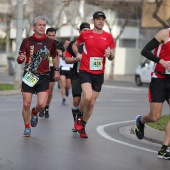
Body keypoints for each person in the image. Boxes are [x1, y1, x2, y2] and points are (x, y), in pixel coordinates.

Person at [72, 11, 115, 138]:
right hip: (85, 70)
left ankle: (83, 125)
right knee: (87, 97)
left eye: (103, 19)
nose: (101, 21)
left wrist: (110, 55)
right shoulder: (85, 34)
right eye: (98, 19)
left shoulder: (108, 37)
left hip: (99, 73)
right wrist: (77, 54)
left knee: (91, 103)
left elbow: (112, 56)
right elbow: (75, 45)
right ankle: (79, 115)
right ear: (93, 21)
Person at [17, 16, 60, 137]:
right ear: (34, 27)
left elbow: (54, 57)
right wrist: (20, 59)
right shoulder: (27, 41)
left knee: (42, 104)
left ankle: (34, 112)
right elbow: (20, 58)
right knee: (26, 103)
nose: (42, 27)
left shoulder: (50, 42)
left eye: (44, 25)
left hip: (44, 76)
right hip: (29, 75)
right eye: (40, 25)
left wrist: (56, 71)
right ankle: (26, 127)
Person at [135, 28, 170, 159]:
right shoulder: (164, 34)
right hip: (159, 79)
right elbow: (144, 51)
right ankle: (141, 121)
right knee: (155, 117)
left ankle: (164, 148)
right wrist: (161, 61)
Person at [64, 22, 90, 135]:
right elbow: (66, 59)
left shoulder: (93, 43)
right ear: (80, 32)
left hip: (89, 75)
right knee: (76, 100)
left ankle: (80, 123)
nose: (86, 32)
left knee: (86, 100)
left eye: (88, 30)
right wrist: (76, 59)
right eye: (84, 30)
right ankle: (76, 121)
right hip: (76, 75)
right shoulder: (73, 44)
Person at [39, 27, 64, 118]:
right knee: (42, 91)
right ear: (46, 35)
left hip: (53, 70)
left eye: (53, 35)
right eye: (49, 35)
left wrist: (61, 54)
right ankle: (41, 106)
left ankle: (46, 108)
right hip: (42, 69)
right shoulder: (41, 43)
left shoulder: (58, 44)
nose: (51, 37)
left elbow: (65, 56)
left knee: (49, 91)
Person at [59, 39, 73, 105]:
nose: (67, 44)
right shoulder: (61, 50)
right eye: (66, 43)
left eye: (68, 43)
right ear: (64, 44)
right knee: (63, 84)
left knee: (68, 85)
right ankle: (63, 98)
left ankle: (67, 90)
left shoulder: (73, 50)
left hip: (70, 68)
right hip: (62, 68)